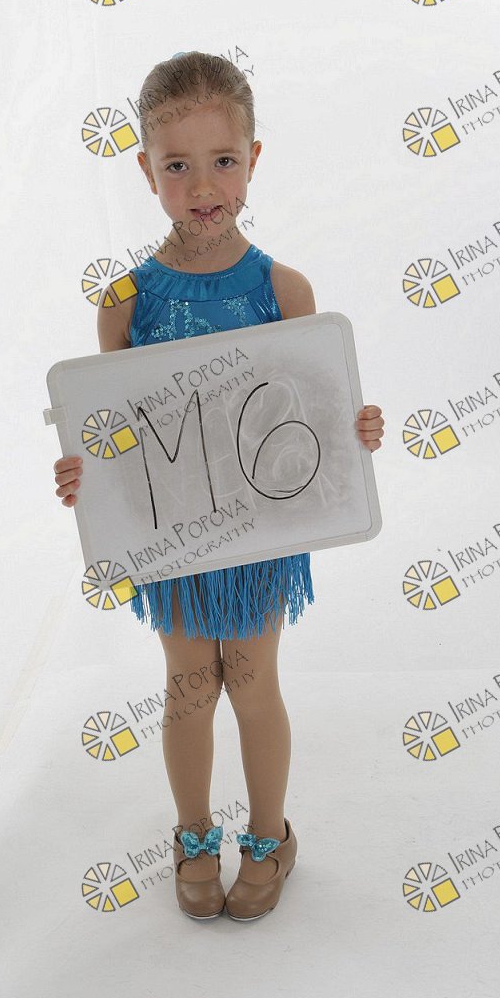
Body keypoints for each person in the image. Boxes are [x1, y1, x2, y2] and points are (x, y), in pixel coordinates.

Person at [52, 51, 385, 922]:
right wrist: (84, 469)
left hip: (260, 535)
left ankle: (270, 835)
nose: (203, 186)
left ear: (253, 159)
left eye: (223, 161)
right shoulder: (126, 300)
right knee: (189, 685)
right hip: (172, 537)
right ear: (146, 171)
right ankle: (193, 833)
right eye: (177, 166)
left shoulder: (283, 288)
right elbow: (114, 428)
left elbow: (312, 413)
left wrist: (355, 430)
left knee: (252, 678)